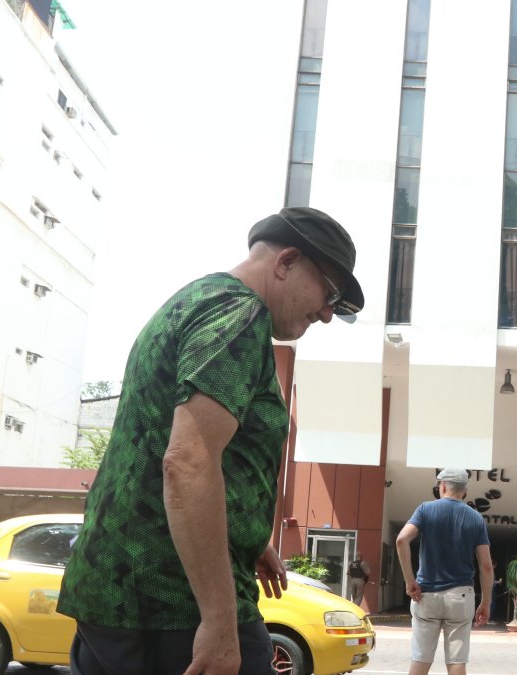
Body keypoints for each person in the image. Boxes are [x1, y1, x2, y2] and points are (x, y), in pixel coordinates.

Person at [58, 206, 364, 675]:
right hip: (173, 604)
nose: (326, 313)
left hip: (117, 590)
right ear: (287, 262)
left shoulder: (196, 300)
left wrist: (246, 534)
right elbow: (187, 461)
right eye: (330, 291)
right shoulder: (239, 316)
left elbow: (166, 445)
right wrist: (219, 622)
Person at [396, 468, 492, 675]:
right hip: (461, 596)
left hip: (426, 595)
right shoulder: (476, 518)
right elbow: (485, 565)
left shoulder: (425, 510)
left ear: (443, 486)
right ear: (464, 491)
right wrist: (485, 602)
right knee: (457, 661)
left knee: (420, 659)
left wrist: (409, 580)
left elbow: (402, 540)